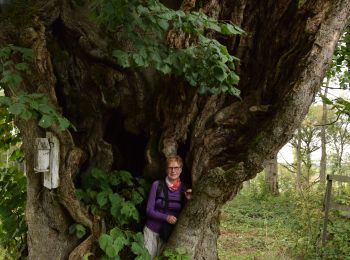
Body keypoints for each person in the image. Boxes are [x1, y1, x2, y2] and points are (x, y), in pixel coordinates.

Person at [143, 155, 192, 259]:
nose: (173, 171)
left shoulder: (184, 188)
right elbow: (149, 210)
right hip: (151, 230)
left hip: (169, 233)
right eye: (170, 167)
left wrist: (188, 200)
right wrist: (166, 217)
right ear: (166, 169)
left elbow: (186, 214)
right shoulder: (157, 185)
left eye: (176, 168)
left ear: (181, 170)